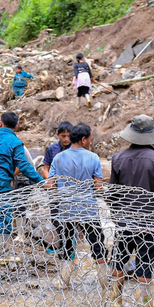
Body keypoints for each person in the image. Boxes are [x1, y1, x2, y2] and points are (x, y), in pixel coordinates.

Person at [108, 114, 154, 307]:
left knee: (119, 260)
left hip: (123, 221)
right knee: (145, 262)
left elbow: (112, 193)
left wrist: (116, 215)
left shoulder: (118, 159)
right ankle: (145, 306)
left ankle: (115, 301)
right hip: (148, 223)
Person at [46, 123, 105, 286]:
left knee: (66, 246)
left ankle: (64, 281)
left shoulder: (58, 158)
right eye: (91, 140)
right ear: (83, 139)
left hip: (66, 209)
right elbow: (98, 188)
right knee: (98, 246)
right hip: (88, 210)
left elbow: (50, 184)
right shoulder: (93, 158)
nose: (91, 143)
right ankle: (105, 284)